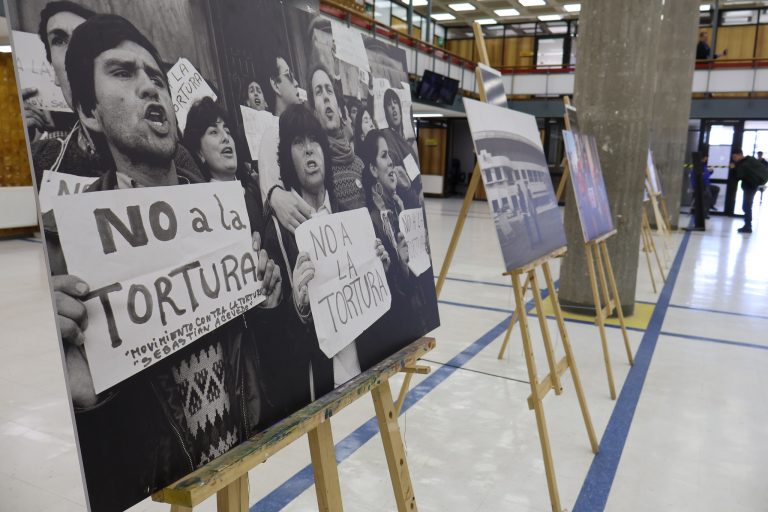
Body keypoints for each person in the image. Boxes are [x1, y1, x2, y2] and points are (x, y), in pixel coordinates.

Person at [52, 15, 281, 510]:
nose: (148, 88)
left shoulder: (224, 214)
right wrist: (77, 394)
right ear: (89, 112)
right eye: (122, 73)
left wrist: (268, 299)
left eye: (156, 77)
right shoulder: (67, 253)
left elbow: (258, 366)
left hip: (235, 466)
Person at [263, 104, 392, 402]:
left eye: (314, 140)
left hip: (363, 374)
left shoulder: (349, 216)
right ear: (287, 157)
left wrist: (381, 270)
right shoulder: (276, 231)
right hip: (319, 387)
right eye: (298, 142)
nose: (309, 150)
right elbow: (270, 342)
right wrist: (299, 306)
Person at [183, 96, 264, 231]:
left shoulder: (254, 192)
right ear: (199, 153)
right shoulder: (200, 209)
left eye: (227, 131)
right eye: (214, 132)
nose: (225, 138)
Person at [307, 64, 366, 212]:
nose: (326, 97)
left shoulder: (359, 164)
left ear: (339, 110)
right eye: (319, 92)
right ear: (314, 112)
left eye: (329, 90)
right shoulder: (315, 170)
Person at [381, 88, 421, 209]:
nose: (393, 107)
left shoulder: (407, 144)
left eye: (395, 102)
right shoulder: (387, 135)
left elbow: (415, 179)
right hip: (403, 203)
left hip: (416, 200)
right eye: (389, 104)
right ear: (386, 112)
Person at [732, 149, 767, 233]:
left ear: (740, 155)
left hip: (750, 186)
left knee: (747, 206)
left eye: (735, 157)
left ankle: (748, 226)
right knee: (747, 206)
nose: (734, 159)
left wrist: (734, 168)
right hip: (752, 185)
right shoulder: (750, 160)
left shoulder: (744, 164)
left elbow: (739, 176)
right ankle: (747, 225)